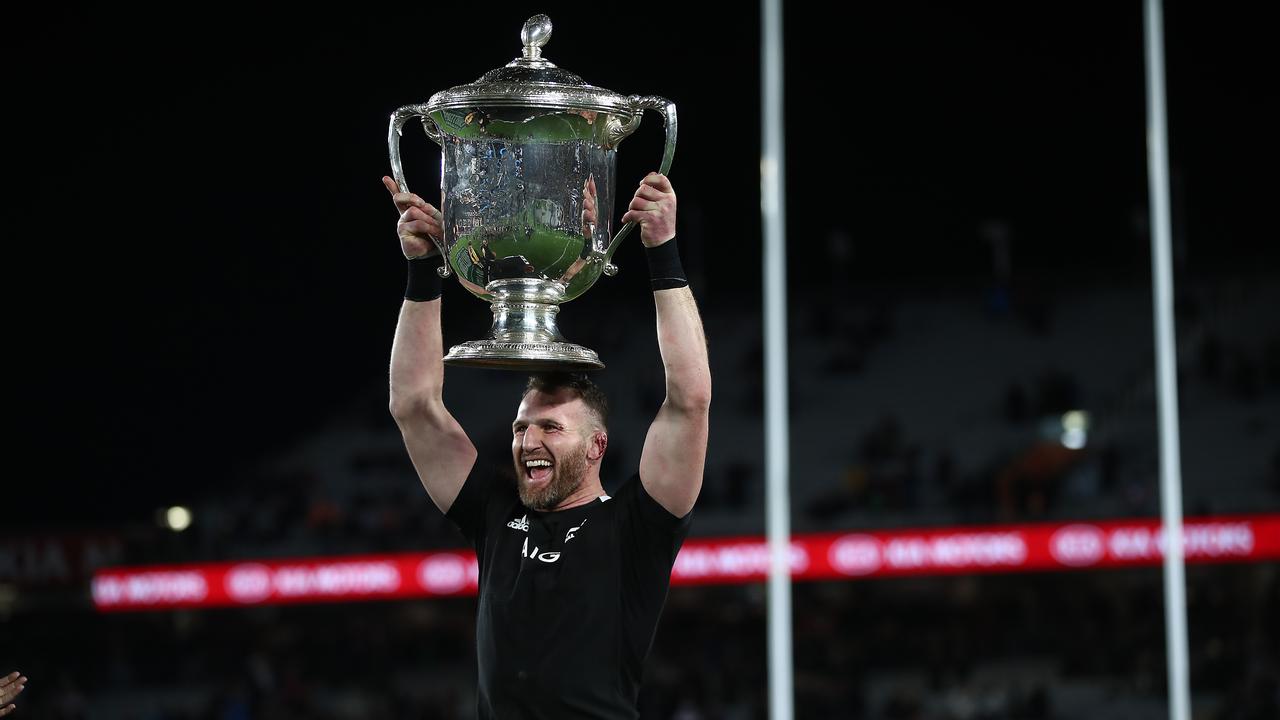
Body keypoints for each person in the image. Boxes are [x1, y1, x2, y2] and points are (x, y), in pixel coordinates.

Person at [380, 171, 711, 719]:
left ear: (596, 446)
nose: (528, 439)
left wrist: (663, 252)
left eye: (551, 428)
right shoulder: (496, 515)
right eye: (520, 427)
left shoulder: (637, 527)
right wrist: (421, 271)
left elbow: (689, 401)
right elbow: (414, 407)